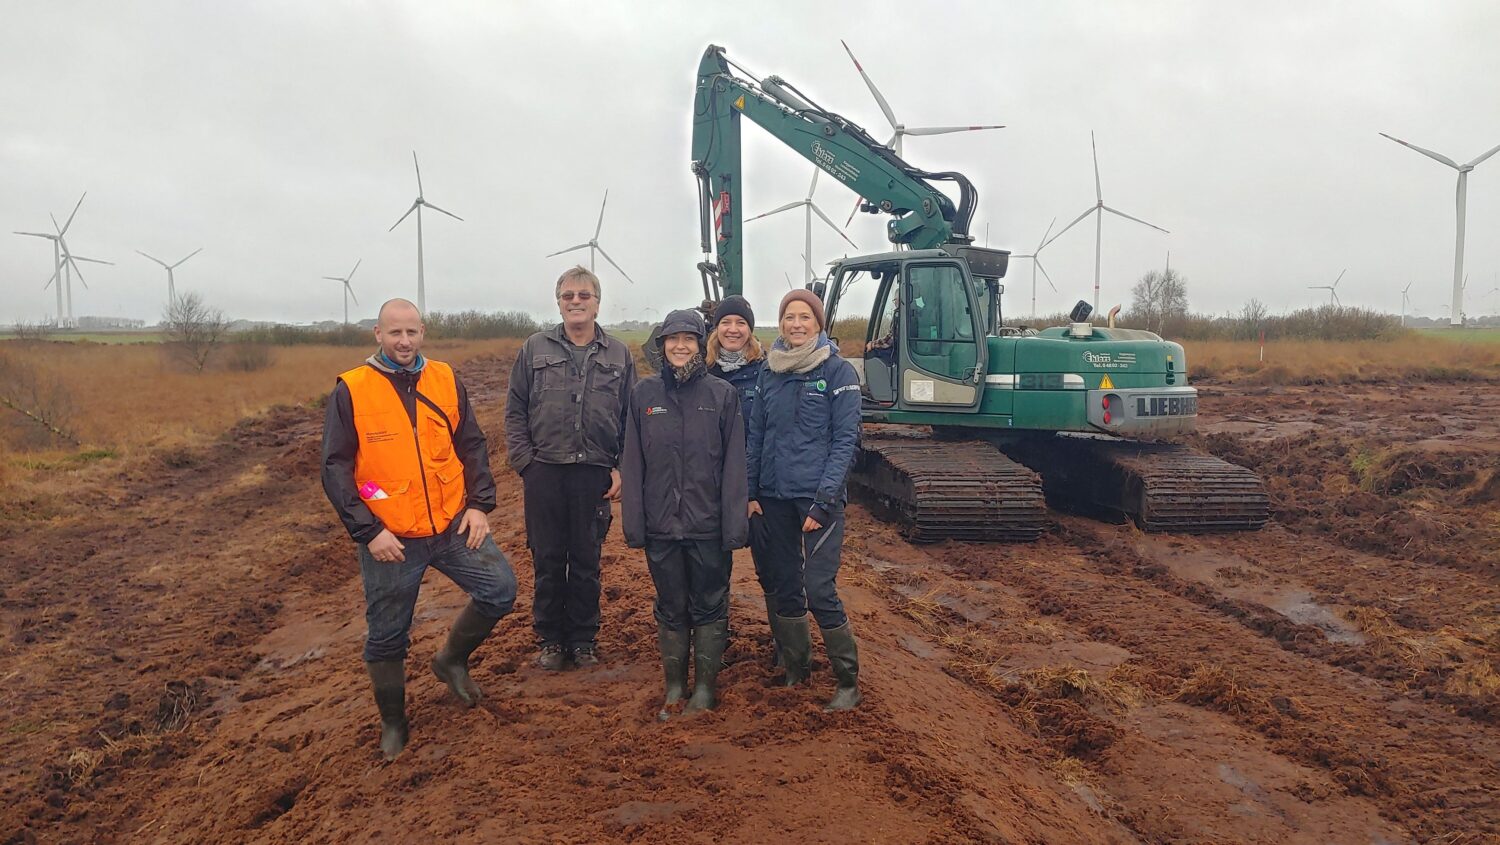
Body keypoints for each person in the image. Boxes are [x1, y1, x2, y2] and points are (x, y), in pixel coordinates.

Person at [321, 298, 518, 761]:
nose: (404, 342)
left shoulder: (445, 378)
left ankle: (450, 660)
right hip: (391, 538)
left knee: (500, 589)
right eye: (395, 333)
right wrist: (368, 530)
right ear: (378, 334)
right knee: (388, 635)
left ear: (422, 332)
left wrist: (478, 505)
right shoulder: (353, 389)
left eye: (411, 333)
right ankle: (394, 722)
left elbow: (471, 444)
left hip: (452, 524)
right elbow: (337, 467)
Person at [505, 265, 636, 671]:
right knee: (546, 559)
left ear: (598, 302)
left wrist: (621, 469)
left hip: (593, 473)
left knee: (585, 560)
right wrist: (526, 464)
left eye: (584, 295)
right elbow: (515, 412)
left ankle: (582, 641)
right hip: (544, 470)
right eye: (568, 296)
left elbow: (631, 417)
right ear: (558, 302)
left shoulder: (618, 353)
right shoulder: (534, 348)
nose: (576, 302)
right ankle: (549, 640)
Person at [622, 309, 748, 719]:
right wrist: (635, 524)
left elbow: (734, 467)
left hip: (707, 526)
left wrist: (733, 527)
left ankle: (705, 690)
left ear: (700, 344)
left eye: (688, 339)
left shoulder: (721, 396)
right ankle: (675, 688)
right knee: (671, 605)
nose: (680, 346)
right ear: (661, 346)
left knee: (709, 605)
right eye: (672, 339)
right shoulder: (643, 396)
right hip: (660, 526)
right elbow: (633, 463)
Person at [747, 290, 864, 711]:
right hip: (773, 497)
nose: (796, 324)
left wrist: (823, 501)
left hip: (817, 499)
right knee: (784, 586)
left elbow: (846, 441)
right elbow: (757, 436)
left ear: (818, 323)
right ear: (780, 324)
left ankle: (847, 682)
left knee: (819, 589)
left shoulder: (837, 372)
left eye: (804, 317)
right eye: (788, 317)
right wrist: (750, 492)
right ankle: (797, 670)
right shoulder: (769, 373)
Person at [705, 294, 776, 659]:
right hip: (713, 491)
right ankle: (715, 643)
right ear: (716, 329)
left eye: (741, 323)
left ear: (750, 330)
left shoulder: (767, 372)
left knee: (773, 570)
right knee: (713, 570)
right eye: (726, 323)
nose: (733, 329)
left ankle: (785, 647)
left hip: (758, 489)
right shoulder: (702, 375)